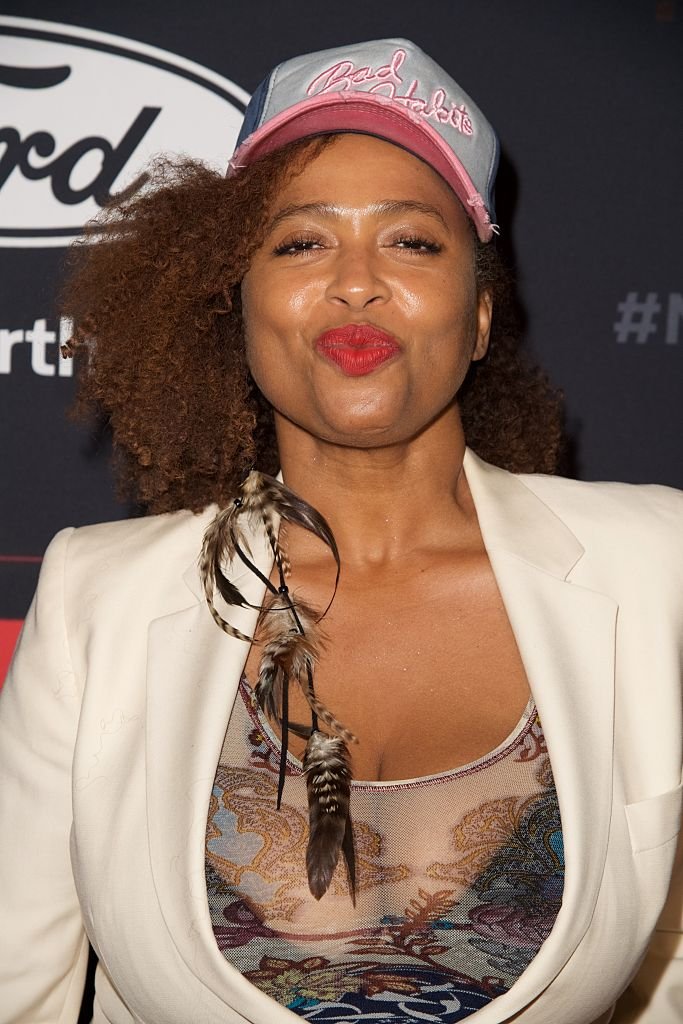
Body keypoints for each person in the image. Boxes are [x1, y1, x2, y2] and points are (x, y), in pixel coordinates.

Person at [0, 37, 681, 1024]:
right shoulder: (94, 601)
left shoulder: (657, 567)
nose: (355, 282)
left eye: (410, 242)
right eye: (299, 242)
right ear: (237, 308)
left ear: (482, 311)